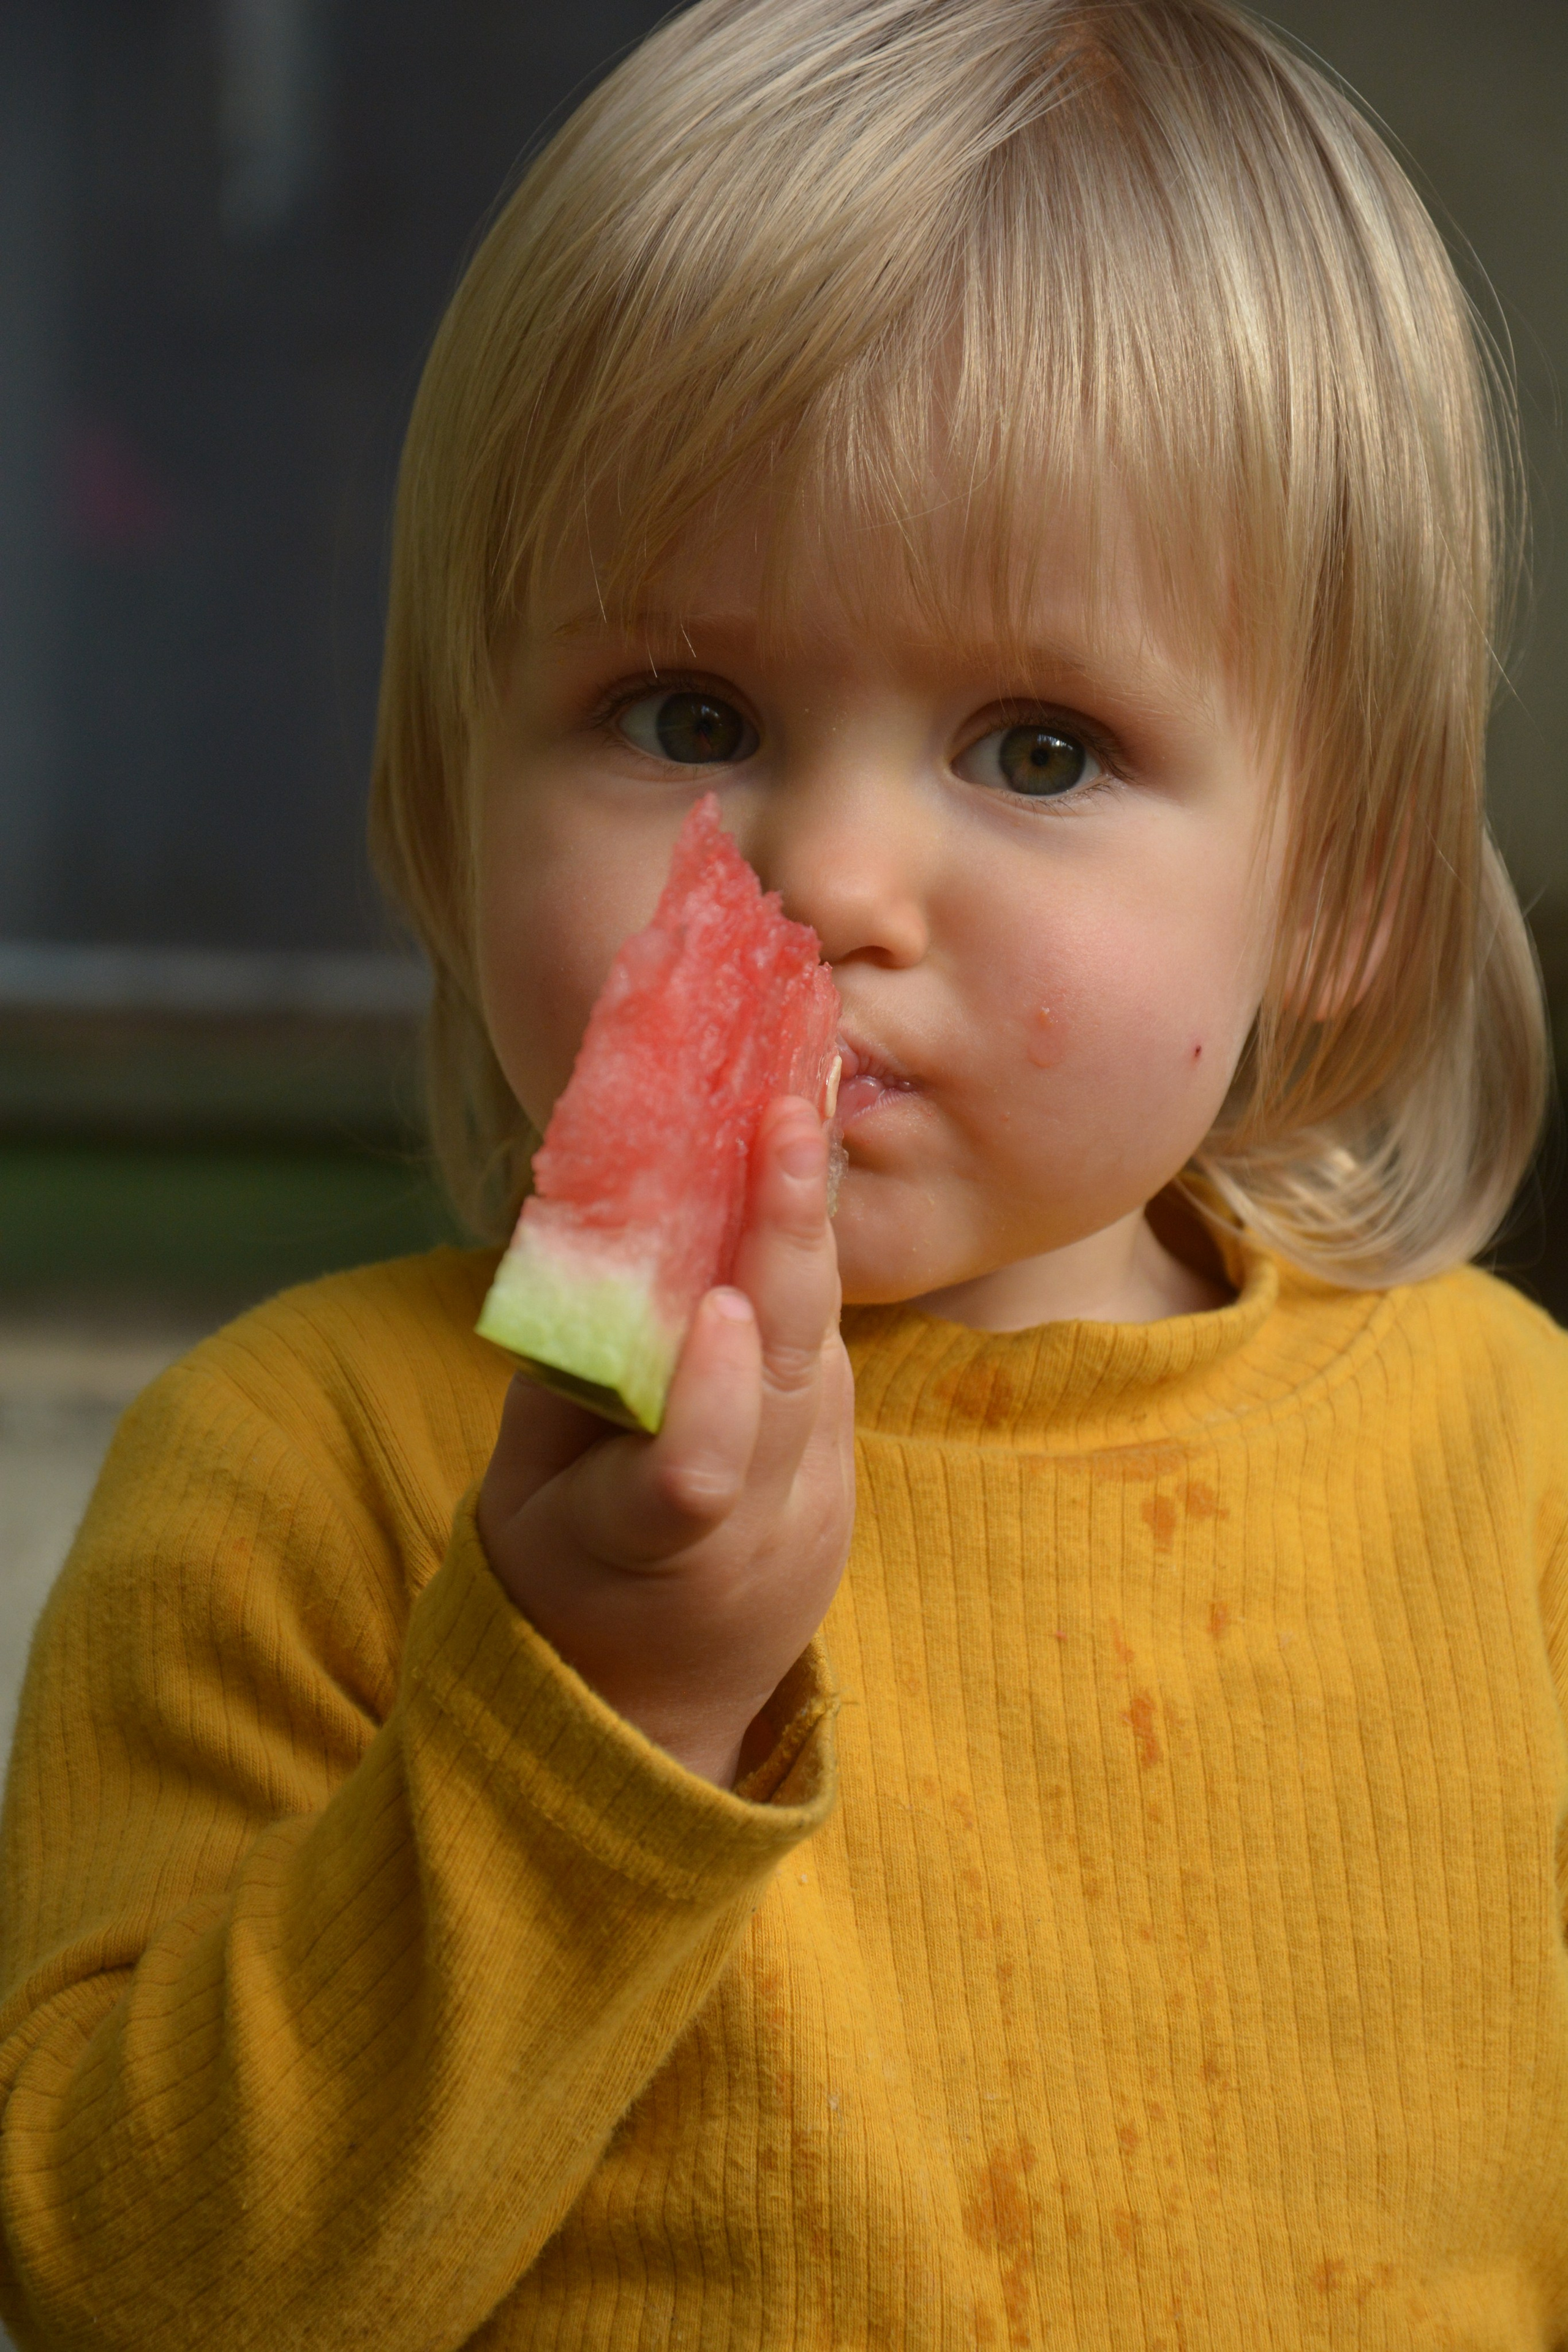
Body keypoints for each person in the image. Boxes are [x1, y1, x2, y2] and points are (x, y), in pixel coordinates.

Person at [2, 0, 1564, 2343]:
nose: (827, 872)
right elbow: (135, 2286)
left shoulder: (1515, 1476)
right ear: (445, 799)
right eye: (687, 719)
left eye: (1040, 747)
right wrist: (593, 1705)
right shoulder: (300, 1483)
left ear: (1335, 874)